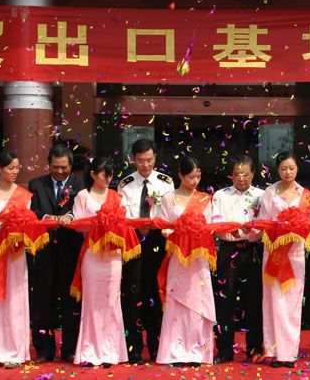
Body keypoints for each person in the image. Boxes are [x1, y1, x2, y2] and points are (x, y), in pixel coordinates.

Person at [0, 152, 51, 369]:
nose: (15, 172)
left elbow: (29, 223)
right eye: (10, 168)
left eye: (17, 168)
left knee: (15, 301)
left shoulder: (24, 195)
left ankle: (15, 351)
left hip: (15, 254)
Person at [70, 158, 137, 367]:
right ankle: (90, 350)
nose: (108, 178)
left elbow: (126, 223)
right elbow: (77, 225)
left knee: (111, 301)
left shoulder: (118, 197)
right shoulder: (83, 196)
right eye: (103, 174)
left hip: (113, 256)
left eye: (110, 174)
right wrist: (99, 223)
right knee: (92, 301)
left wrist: (112, 224)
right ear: (92, 174)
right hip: (92, 253)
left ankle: (111, 351)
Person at [256, 152, 310, 368]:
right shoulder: (270, 192)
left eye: (291, 168)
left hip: (295, 253)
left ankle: (289, 353)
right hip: (274, 252)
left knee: (292, 303)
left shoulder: (306, 195)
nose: (287, 172)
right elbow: (263, 220)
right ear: (277, 170)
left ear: (297, 168)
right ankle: (273, 350)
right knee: (272, 301)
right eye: (283, 169)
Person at [155, 157, 216, 366]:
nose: (195, 181)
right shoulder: (168, 198)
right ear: (180, 175)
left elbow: (210, 226)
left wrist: (196, 233)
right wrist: (178, 232)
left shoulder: (205, 199)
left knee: (198, 301)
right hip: (178, 255)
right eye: (190, 177)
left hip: (198, 257)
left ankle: (197, 351)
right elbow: (163, 226)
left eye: (198, 176)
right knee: (177, 300)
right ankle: (175, 351)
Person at [27, 144, 85, 362]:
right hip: (44, 248)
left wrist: (70, 216)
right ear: (48, 165)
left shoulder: (80, 184)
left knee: (71, 300)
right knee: (43, 299)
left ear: (71, 165)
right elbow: (32, 211)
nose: (60, 171)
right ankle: (44, 349)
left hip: (70, 249)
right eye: (55, 167)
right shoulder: (36, 184)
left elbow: (84, 209)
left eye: (64, 167)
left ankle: (70, 348)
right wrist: (46, 218)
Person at [118, 139, 174, 363]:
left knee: (155, 290)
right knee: (132, 292)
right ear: (133, 159)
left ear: (155, 158)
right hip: (132, 239)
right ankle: (133, 347)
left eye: (149, 160)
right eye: (141, 160)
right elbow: (122, 213)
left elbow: (169, 212)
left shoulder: (165, 182)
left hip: (156, 238)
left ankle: (156, 345)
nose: (145, 165)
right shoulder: (125, 184)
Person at [210, 155, 265, 364]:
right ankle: (224, 349)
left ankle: (254, 347)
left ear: (253, 174)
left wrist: (253, 232)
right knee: (226, 300)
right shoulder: (220, 195)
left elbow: (266, 222)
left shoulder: (262, 195)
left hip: (253, 249)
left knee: (254, 300)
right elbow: (215, 222)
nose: (241, 178)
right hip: (228, 249)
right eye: (237, 174)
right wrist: (228, 230)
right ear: (231, 175)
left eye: (245, 174)